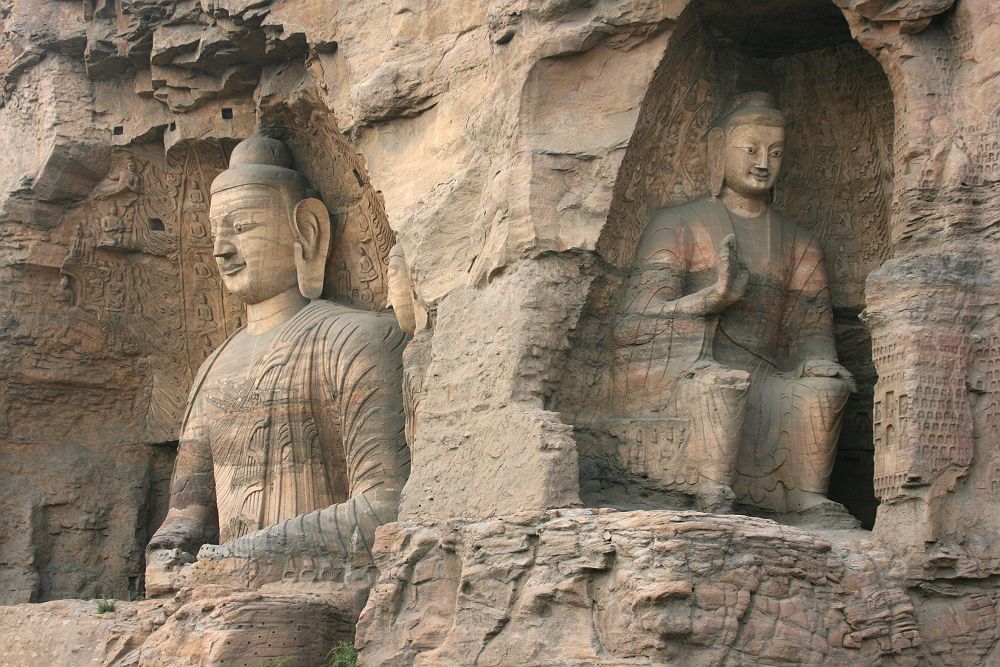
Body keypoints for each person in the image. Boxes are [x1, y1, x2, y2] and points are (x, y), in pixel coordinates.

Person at [145, 136, 408, 592]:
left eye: (242, 227)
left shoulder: (357, 338)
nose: (221, 251)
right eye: (214, 234)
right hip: (217, 586)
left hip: (322, 585)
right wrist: (166, 555)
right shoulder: (214, 367)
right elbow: (188, 511)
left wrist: (247, 556)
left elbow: (387, 504)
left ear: (306, 232)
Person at [615, 93, 854, 514]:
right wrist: (710, 299)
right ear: (717, 150)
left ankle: (806, 500)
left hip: (769, 372)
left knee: (824, 390)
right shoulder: (679, 223)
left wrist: (819, 359)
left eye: (775, 152)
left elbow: (812, 332)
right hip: (691, 364)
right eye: (750, 149)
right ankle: (712, 494)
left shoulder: (800, 243)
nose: (763, 162)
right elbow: (636, 318)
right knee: (721, 384)